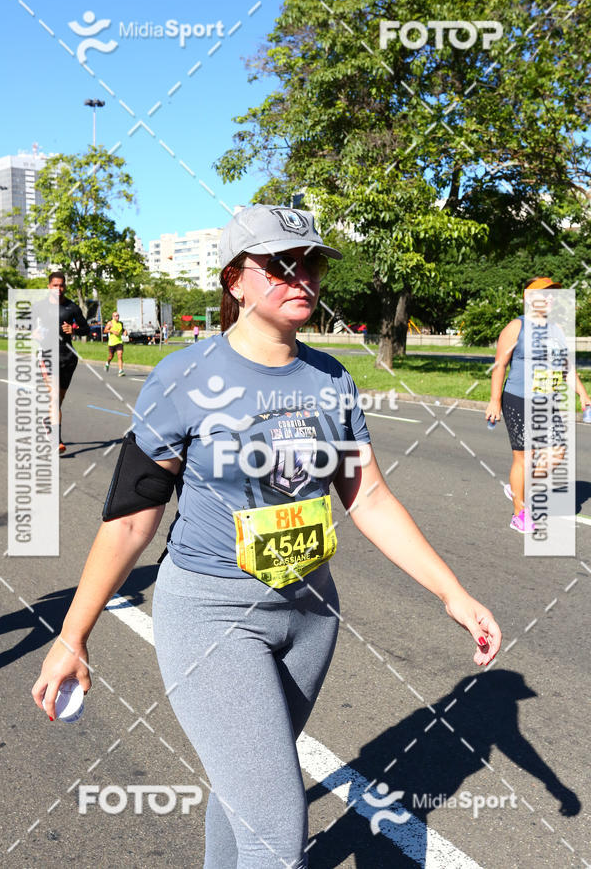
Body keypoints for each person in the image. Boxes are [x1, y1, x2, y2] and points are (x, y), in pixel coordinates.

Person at [33, 205, 501, 868]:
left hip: (311, 617)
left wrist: (453, 593)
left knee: (248, 791)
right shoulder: (182, 376)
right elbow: (133, 516)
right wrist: (73, 635)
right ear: (235, 281)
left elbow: (365, 496)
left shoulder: (331, 379)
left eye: (311, 263)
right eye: (280, 264)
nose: (301, 276)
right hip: (214, 614)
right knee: (279, 828)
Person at [485, 276, 591, 533]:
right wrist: (494, 401)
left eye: (553, 293)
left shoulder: (555, 330)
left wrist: (582, 393)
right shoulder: (516, 327)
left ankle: (516, 487)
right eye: (546, 293)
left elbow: (565, 367)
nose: (551, 298)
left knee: (557, 452)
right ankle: (519, 514)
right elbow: (499, 365)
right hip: (518, 399)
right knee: (524, 457)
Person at [46, 271, 89, 455]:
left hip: (68, 358)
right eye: (55, 285)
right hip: (47, 356)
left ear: (65, 286)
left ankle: (49, 422)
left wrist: (74, 330)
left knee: (59, 399)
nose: (59, 288)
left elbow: (86, 329)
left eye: (61, 285)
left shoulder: (72, 308)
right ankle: (57, 440)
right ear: (49, 286)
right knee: (55, 397)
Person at [103, 311, 126, 376]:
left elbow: (123, 329)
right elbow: (105, 330)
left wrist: (125, 332)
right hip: (111, 343)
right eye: (116, 316)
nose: (117, 317)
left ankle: (120, 371)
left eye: (118, 315)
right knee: (111, 356)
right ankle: (107, 363)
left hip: (119, 342)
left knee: (120, 355)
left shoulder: (120, 323)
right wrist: (112, 331)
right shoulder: (110, 323)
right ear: (113, 317)